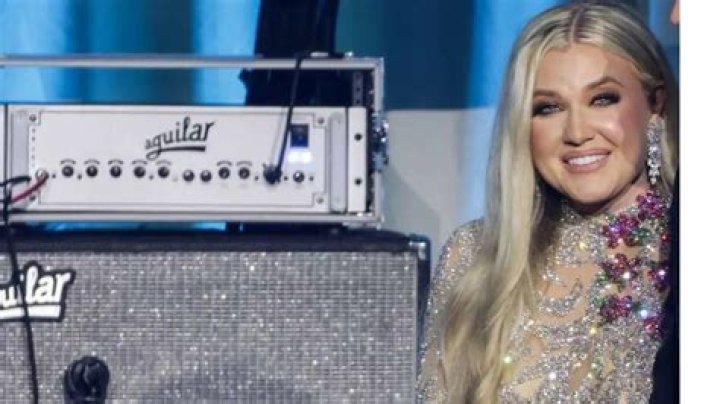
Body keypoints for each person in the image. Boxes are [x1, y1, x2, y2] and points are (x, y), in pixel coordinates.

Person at [417, 2, 679, 403]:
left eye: (602, 99)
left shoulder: (689, 249)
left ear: (654, 103)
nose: (576, 132)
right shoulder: (475, 257)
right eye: (549, 108)